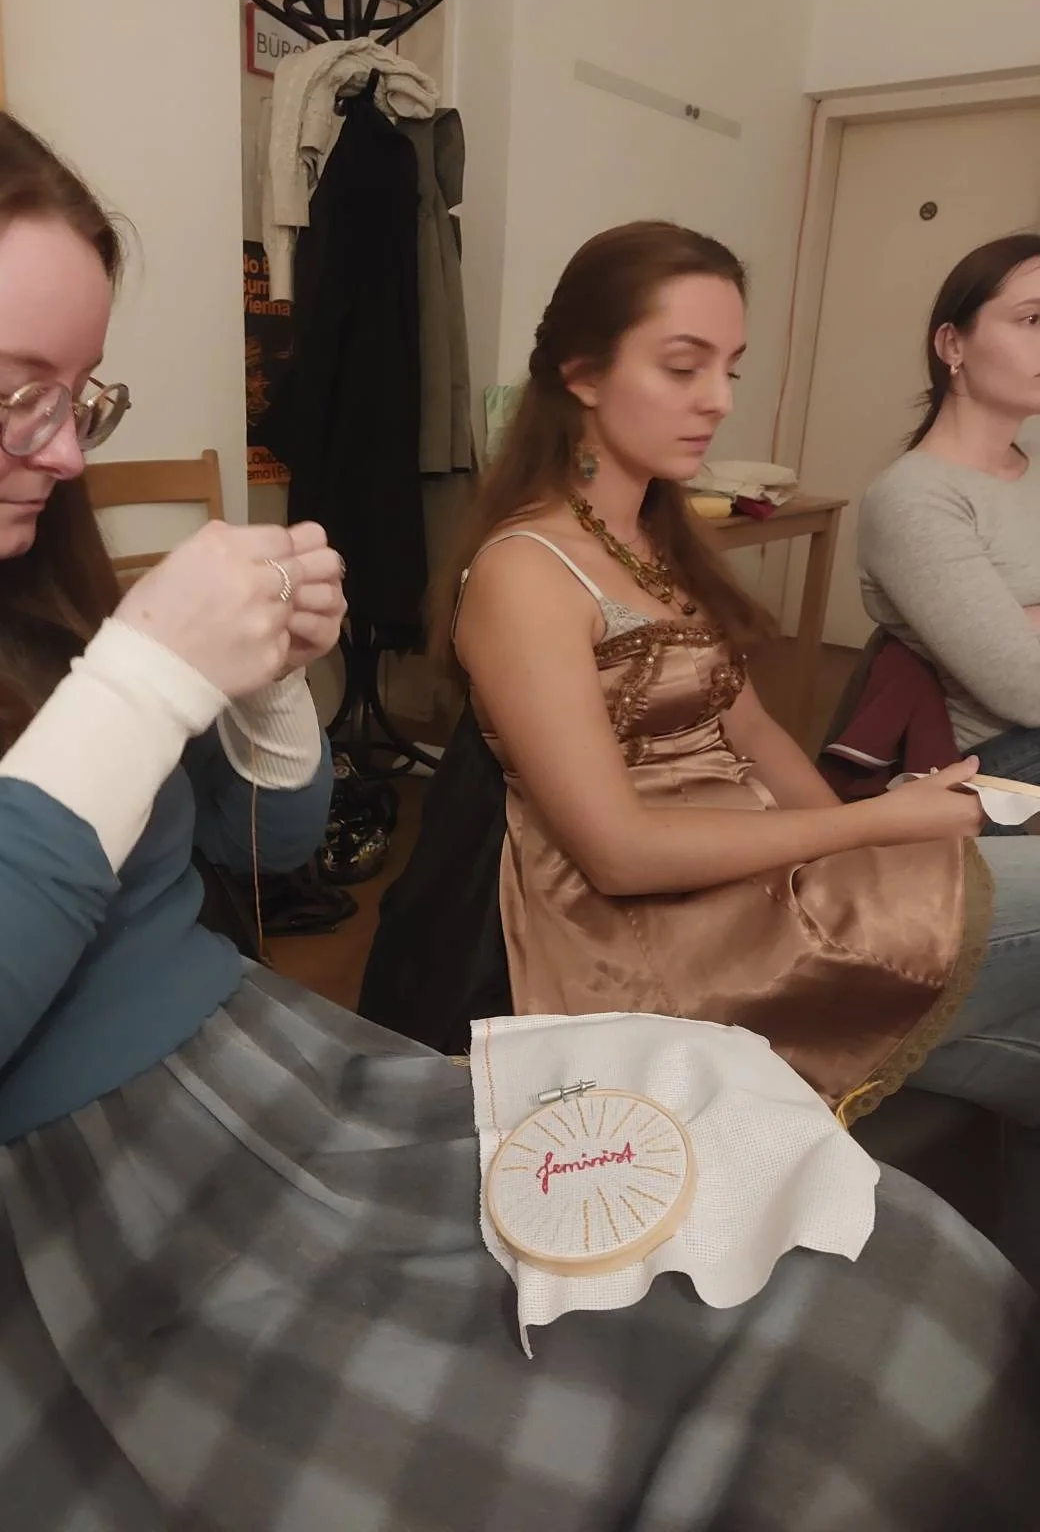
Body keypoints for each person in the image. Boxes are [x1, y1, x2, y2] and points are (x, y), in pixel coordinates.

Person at [0, 70, 1038, 1532]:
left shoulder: (10, 573)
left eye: (81, 394)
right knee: (804, 1396)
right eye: (11, 390)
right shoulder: (530, 568)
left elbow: (262, 859)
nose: (67, 450)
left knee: (889, 1274)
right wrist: (144, 686)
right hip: (92, 1200)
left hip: (265, 1076)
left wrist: (268, 696)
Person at [444, 220, 1040, 1290]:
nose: (717, 398)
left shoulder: (653, 542)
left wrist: (861, 859)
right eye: (682, 366)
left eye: (729, 368)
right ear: (580, 372)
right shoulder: (524, 572)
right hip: (661, 929)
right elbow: (618, 853)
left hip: (759, 870)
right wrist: (876, 825)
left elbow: (755, 727)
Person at [859, 234, 1040, 828]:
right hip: (1003, 768)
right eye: (1032, 318)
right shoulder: (915, 497)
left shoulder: (1035, 455)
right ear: (952, 343)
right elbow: (1026, 688)